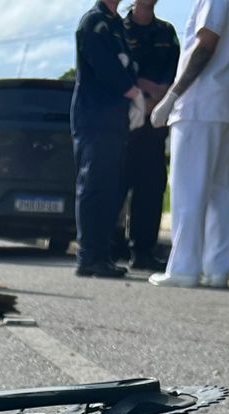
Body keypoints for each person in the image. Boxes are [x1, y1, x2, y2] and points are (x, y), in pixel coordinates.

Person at [147, 0, 229, 288]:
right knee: (219, 190)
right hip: (227, 104)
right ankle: (216, 267)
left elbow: (206, 44)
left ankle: (184, 267)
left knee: (188, 188)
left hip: (199, 104)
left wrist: (172, 95)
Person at [72, 0, 141, 278]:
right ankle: (88, 256)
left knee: (110, 187)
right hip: (95, 116)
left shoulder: (116, 24)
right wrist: (133, 92)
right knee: (94, 184)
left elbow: (128, 65)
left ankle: (101, 254)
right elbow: (105, 67)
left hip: (113, 118)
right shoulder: (94, 22)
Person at [115, 0, 181, 272]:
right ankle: (108, 248)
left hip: (154, 123)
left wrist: (159, 95)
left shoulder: (166, 32)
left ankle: (143, 251)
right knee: (116, 185)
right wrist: (143, 90)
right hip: (122, 122)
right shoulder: (118, 29)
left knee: (151, 187)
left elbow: (176, 70)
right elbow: (117, 70)